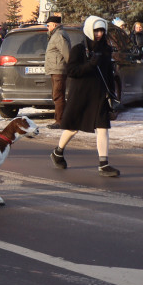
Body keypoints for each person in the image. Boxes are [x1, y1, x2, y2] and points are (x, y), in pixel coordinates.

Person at [51, 15, 120, 177]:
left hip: (99, 96)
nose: (100, 34)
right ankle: (58, 152)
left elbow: (108, 74)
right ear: (89, 30)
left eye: (102, 30)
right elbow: (72, 72)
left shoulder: (105, 49)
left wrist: (112, 93)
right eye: (96, 31)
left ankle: (104, 164)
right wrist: (90, 64)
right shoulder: (78, 49)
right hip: (81, 95)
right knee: (73, 128)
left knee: (103, 128)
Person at [44, 15, 71, 129]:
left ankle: (60, 121)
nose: (47, 28)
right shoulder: (55, 35)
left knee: (58, 95)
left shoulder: (58, 35)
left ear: (54, 25)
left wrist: (71, 66)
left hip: (59, 70)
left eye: (48, 25)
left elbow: (67, 53)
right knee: (57, 95)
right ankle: (59, 120)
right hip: (55, 70)